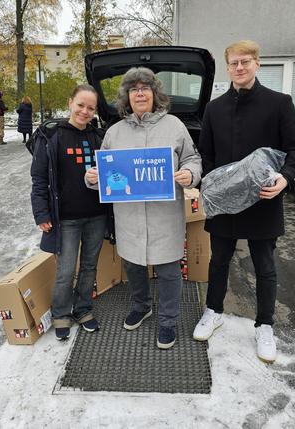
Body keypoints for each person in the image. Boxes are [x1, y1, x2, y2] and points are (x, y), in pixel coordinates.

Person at [193, 40, 295, 363]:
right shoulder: (214, 108)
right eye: (234, 63)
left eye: (246, 61)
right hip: (225, 203)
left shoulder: (279, 103)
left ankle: (265, 325)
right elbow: (207, 155)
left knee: (265, 266)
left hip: (263, 200)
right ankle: (213, 311)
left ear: (258, 63)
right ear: (227, 67)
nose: (239, 68)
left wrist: (286, 179)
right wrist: (207, 183)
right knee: (218, 261)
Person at [85, 67, 202, 349]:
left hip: (165, 215)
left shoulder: (174, 125)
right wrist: (92, 178)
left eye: (145, 88)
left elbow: (193, 158)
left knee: (169, 270)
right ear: (126, 96)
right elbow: (105, 171)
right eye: (134, 89)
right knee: (133, 265)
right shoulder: (114, 132)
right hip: (129, 216)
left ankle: (168, 321)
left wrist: (189, 173)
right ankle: (141, 305)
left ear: (154, 94)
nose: (139, 93)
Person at [31, 84, 107, 341]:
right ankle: (62, 313)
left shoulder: (98, 138)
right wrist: (41, 213)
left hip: (96, 215)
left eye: (90, 108)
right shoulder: (50, 137)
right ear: (70, 103)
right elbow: (39, 178)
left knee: (89, 266)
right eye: (80, 105)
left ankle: (83, 308)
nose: (84, 112)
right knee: (65, 270)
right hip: (66, 219)